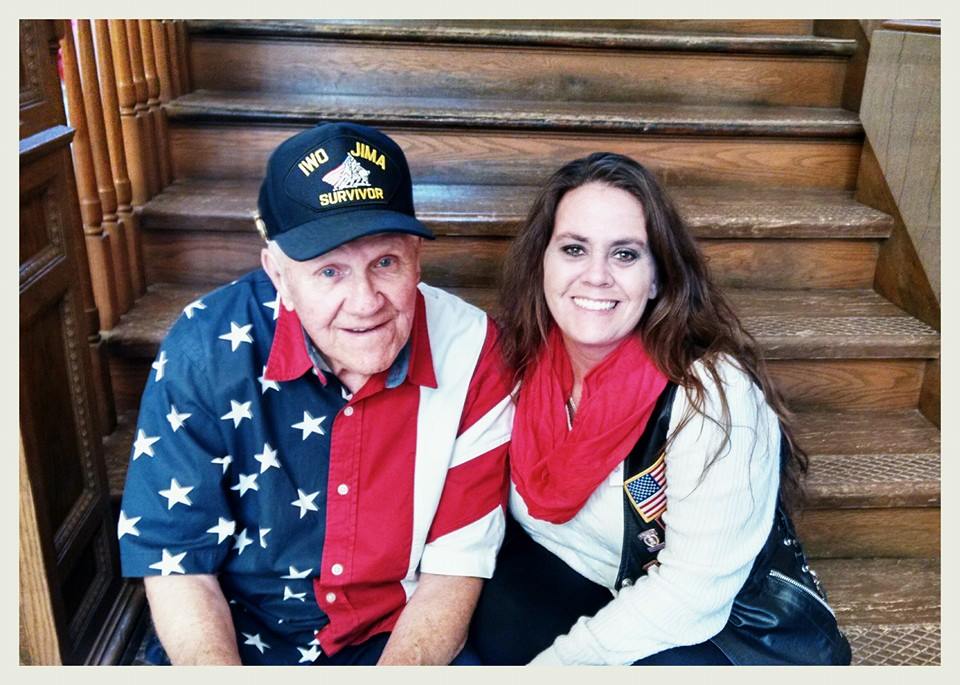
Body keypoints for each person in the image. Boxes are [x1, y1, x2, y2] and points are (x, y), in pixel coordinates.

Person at [118, 122, 514, 665]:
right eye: (329, 271)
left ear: (417, 259)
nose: (364, 301)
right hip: (235, 635)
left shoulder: (474, 350)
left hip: (398, 639)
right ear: (278, 275)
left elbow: (454, 571)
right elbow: (178, 564)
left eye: (386, 263)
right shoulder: (206, 344)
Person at [469, 152, 852, 665]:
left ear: (656, 279)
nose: (596, 276)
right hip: (596, 574)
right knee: (489, 627)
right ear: (543, 262)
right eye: (574, 249)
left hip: (725, 620)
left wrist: (559, 664)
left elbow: (694, 591)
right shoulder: (526, 360)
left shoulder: (713, 395)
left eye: (625, 255)